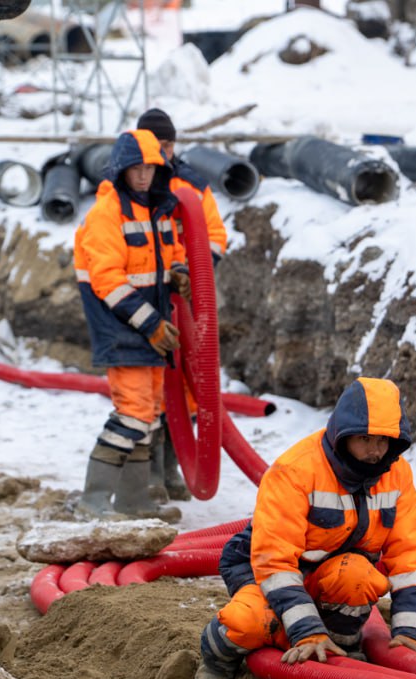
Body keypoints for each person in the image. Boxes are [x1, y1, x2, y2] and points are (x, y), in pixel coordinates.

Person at [194, 377, 416, 679]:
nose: (376, 450)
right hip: (266, 571)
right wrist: (306, 631)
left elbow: (410, 554)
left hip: (334, 571)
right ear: (343, 434)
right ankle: (218, 658)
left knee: (360, 577)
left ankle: (339, 650)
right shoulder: (296, 470)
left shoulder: (397, 474)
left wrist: (409, 633)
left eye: (384, 440)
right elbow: (274, 561)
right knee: (249, 622)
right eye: (365, 438)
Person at [72, 128, 190, 521]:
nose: (143, 176)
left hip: (147, 326)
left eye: (150, 168)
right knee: (133, 412)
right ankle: (93, 502)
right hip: (122, 326)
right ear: (121, 169)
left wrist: (178, 271)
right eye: (136, 169)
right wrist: (152, 324)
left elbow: (171, 249)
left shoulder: (157, 209)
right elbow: (108, 279)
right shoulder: (107, 213)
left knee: (150, 412)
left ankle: (134, 502)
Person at [135, 107, 230, 502]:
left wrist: (193, 274)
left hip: (186, 299)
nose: (163, 151)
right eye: (155, 144)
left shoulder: (190, 185)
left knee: (189, 385)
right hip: (143, 297)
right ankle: (152, 475)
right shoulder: (128, 184)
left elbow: (214, 236)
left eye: (168, 143)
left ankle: (175, 468)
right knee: (150, 387)